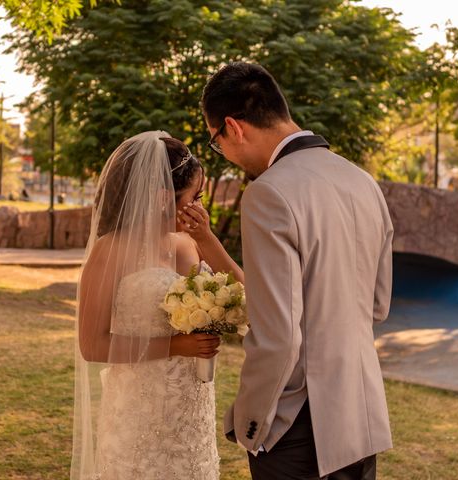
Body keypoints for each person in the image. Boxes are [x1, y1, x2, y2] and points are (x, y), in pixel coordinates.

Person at [201, 62, 394, 480]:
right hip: (360, 412)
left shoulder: (268, 193)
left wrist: (250, 422)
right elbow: (378, 307)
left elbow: (280, 336)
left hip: (298, 426)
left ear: (232, 127)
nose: (226, 154)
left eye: (216, 142)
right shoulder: (363, 182)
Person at [71, 131, 242, 480]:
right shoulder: (111, 250)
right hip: (139, 409)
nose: (199, 206)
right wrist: (176, 345)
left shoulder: (189, 243)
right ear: (165, 197)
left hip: (192, 408)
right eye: (195, 196)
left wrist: (207, 238)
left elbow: (243, 292)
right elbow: (92, 345)